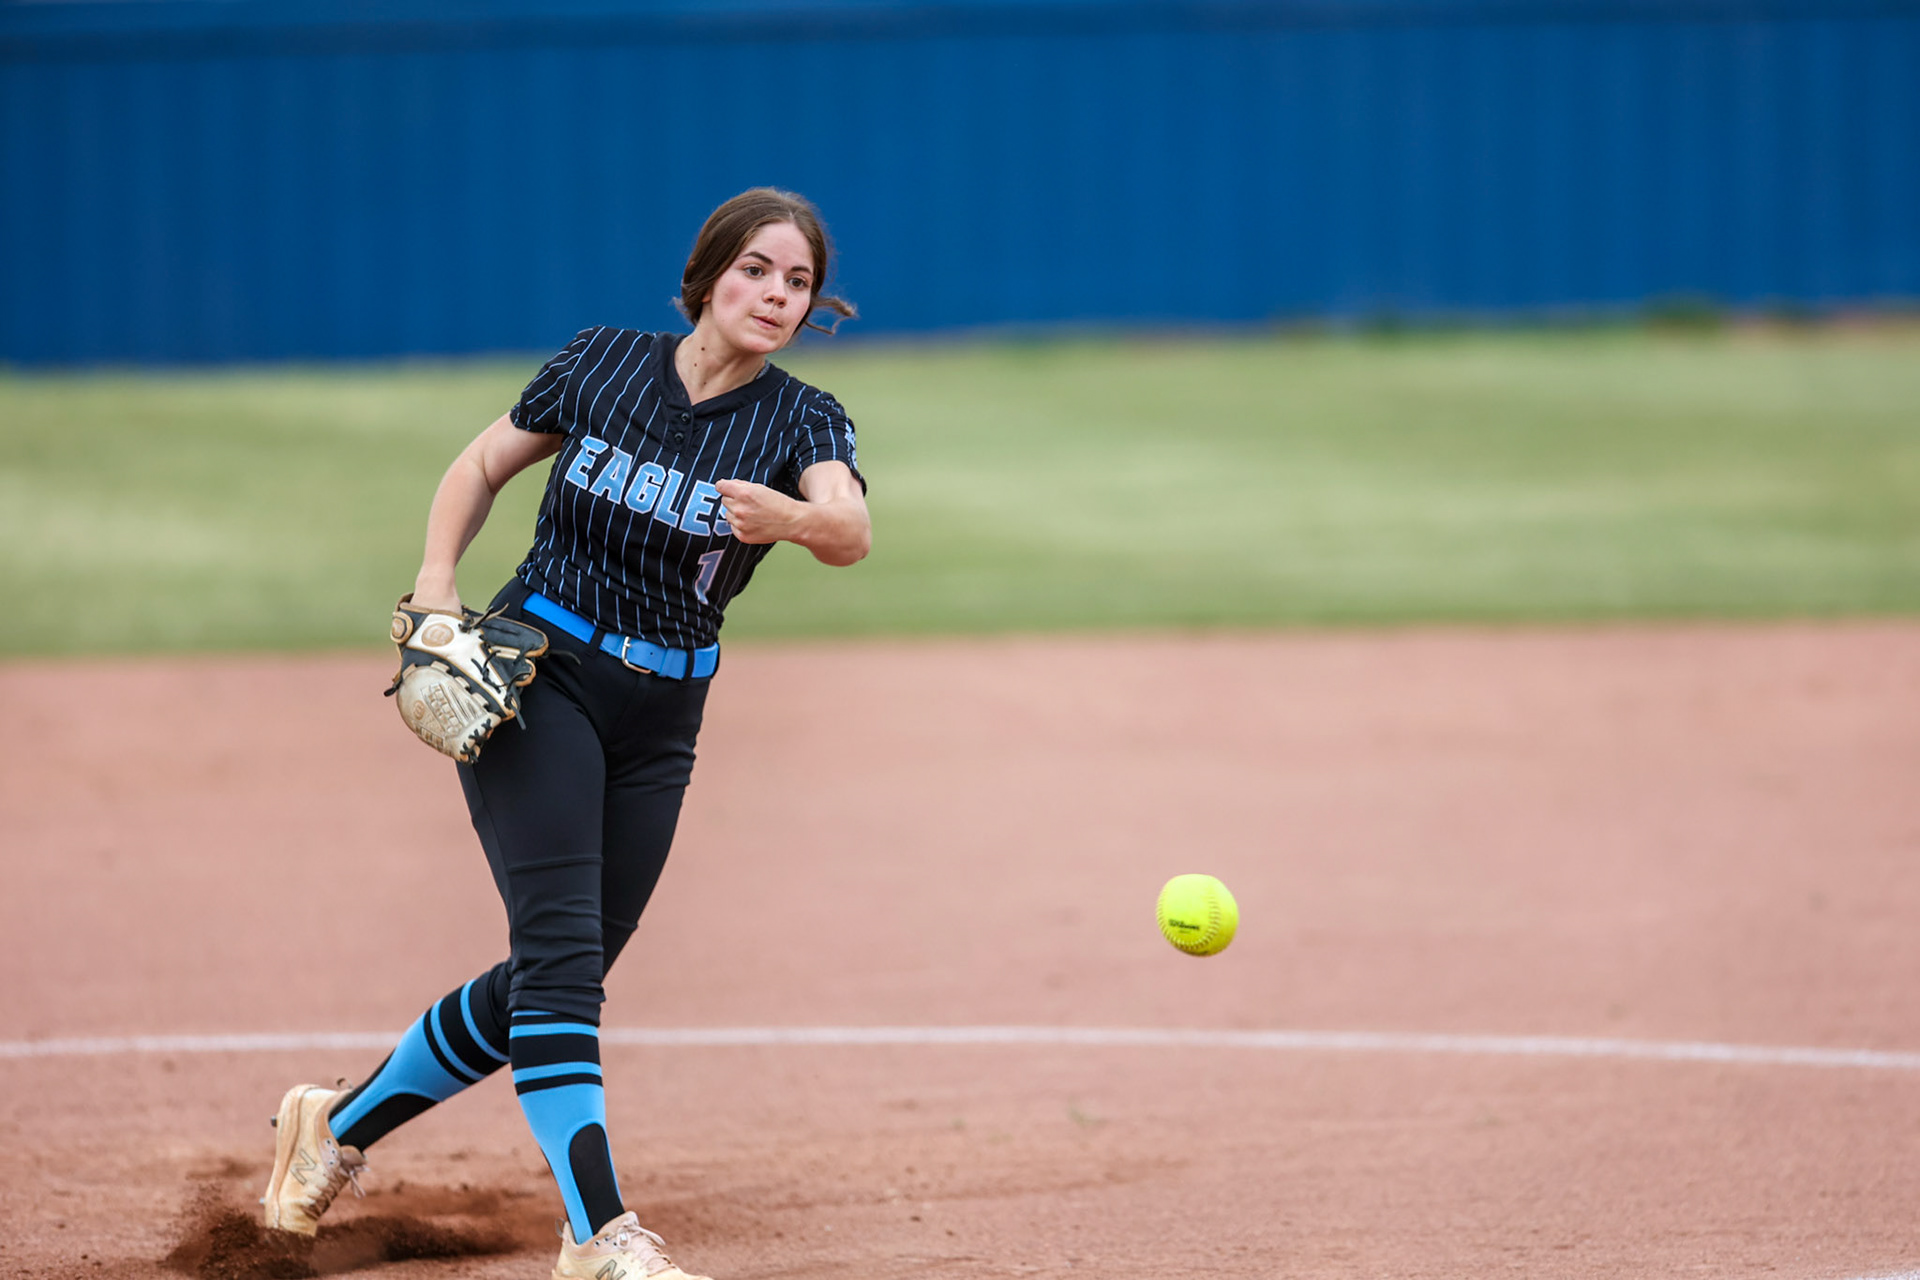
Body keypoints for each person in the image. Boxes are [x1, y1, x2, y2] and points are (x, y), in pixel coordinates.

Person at [259, 188, 871, 1280]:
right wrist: (435, 591)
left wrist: (793, 517)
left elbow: (851, 529)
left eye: (798, 282)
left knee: (555, 971)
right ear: (710, 275)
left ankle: (334, 1126)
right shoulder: (603, 362)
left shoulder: (802, 420)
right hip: (540, 674)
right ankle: (599, 1233)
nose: (776, 294)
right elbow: (480, 465)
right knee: (564, 969)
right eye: (757, 269)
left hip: (665, 715)